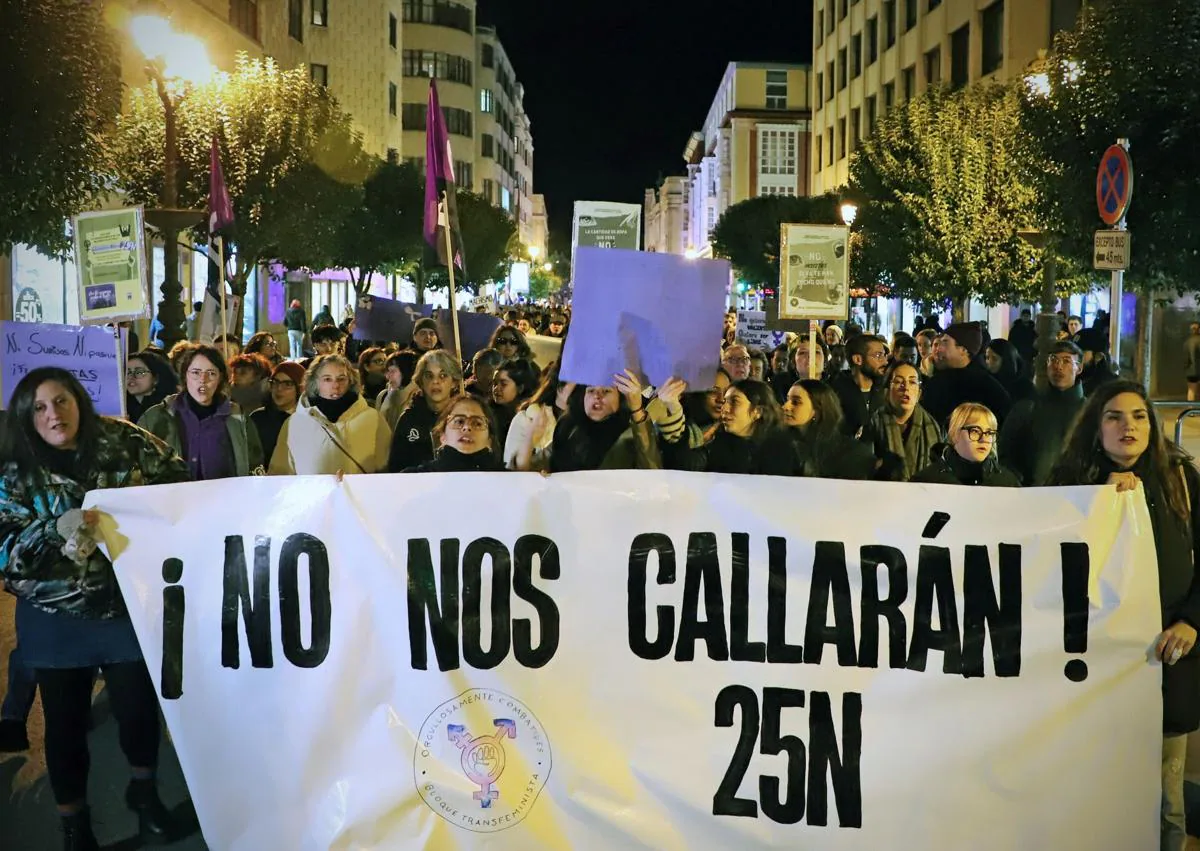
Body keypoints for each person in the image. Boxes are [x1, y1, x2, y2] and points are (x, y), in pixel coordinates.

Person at [0, 367, 193, 848]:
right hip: (54, 621)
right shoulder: (14, 467)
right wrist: (53, 529)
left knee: (139, 712)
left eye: (61, 401)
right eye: (40, 407)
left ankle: (145, 797)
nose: (53, 415)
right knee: (64, 727)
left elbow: (179, 487)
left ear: (78, 401)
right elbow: (3, 549)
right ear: (26, 415)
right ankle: (74, 822)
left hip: (126, 609)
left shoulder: (124, 441)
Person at [1047, 381, 1200, 849]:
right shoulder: (1066, 483)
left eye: (1138, 416)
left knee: (1165, 798)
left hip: (1167, 659)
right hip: (1095, 668)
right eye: (1114, 416)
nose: (1127, 426)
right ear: (1096, 427)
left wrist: (1192, 621)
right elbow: (1045, 567)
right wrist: (1094, 499)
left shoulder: (1181, 479)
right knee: (1095, 790)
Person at [138, 344, 263, 479]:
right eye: (196, 373)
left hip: (224, 497)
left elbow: (255, 466)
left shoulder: (239, 419)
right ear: (185, 375)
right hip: (172, 498)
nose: (203, 380)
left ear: (220, 378)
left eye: (211, 373)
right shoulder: (154, 417)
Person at [270, 354, 392, 475]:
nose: (335, 385)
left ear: (350, 381)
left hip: (360, 493)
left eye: (341, 378)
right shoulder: (294, 423)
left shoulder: (373, 418)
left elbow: (387, 470)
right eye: (327, 379)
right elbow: (280, 474)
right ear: (315, 382)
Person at [998, 341, 1086, 486]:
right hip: (1031, 495)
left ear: (1079, 368)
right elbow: (1005, 454)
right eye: (1054, 360)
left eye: (1066, 361)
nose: (1058, 367)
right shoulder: (1026, 408)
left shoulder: (1090, 411)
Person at [548, 373, 657, 471]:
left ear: (620, 399)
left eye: (606, 391)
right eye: (591, 390)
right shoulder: (567, 427)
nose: (597, 396)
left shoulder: (633, 433)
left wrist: (637, 411)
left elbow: (651, 474)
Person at [861, 361, 944, 482]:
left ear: (919, 393)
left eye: (912, 382)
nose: (905, 388)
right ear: (886, 391)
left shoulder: (932, 427)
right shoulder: (874, 424)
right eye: (899, 381)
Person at [698, 379, 798, 476]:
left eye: (734, 402)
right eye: (725, 401)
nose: (724, 409)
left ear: (758, 411)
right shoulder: (715, 445)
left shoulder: (781, 450)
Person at [920, 322, 1012, 427]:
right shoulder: (936, 380)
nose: (937, 348)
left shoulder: (985, 386)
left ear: (963, 350)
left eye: (945, 342)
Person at [386, 350, 463, 473]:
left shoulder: (465, 418)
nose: (435, 381)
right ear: (421, 381)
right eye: (429, 376)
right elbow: (395, 469)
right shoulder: (408, 419)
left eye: (443, 376)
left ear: (454, 382)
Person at [783, 379, 876, 479]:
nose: (785, 407)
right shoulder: (780, 445)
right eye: (787, 400)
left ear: (818, 410)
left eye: (796, 402)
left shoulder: (851, 454)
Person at [911, 403, 1020, 486]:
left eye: (989, 433)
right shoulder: (927, 482)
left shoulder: (1007, 483)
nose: (983, 439)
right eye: (975, 431)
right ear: (954, 434)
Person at [400, 395, 506, 473]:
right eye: (459, 421)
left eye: (477, 423)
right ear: (443, 436)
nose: (467, 428)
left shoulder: (510, 482)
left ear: (490, 440)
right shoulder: (412, 480)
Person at [505, 363, 576, 472]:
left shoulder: (583, 425)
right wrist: (530, 439)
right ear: (560, 387)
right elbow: (512, 470)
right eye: (579, 387)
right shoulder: (526, 419)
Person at [829, 334, 888, 437]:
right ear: (857, 359)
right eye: (878, 355)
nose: (885, 361)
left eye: (884, 355)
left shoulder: (886, 390)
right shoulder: (834, 392)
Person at [249, 361, 304, 466]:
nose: (279, 389)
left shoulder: (308, 420)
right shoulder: (258, 418)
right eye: (275, 382)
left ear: (300, 388)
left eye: (287, 384)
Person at [490, 358, 540, 445]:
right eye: (494, 383)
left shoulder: (530, 416)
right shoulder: (489, 411)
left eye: (503, 384)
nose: (496, 388)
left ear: (520, 388)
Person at [123, 349, 177, 424]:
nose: (131, 377)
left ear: (156, 379)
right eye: (127, 372)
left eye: (139, 372)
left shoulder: (169, 406)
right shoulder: (121, 407)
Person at [983, 338, 1035, 404]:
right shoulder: (986, 381)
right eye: (987, 358)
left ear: (1007, 360)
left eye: (994, 358)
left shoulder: (1024, 387)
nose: (988, 362)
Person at [1077, 328, 1120, 395]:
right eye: (1073, 353)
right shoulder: (1075, 382)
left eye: (1081, 352)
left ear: (1099, 356)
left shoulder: (1114, 389)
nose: (1075, 358)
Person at [1185, 322, 1200, 402]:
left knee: (1191, 390)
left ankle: (1190, 410)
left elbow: (1185, 358)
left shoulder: (1187, 342)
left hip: (1191, 371)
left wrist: (1186, 367)